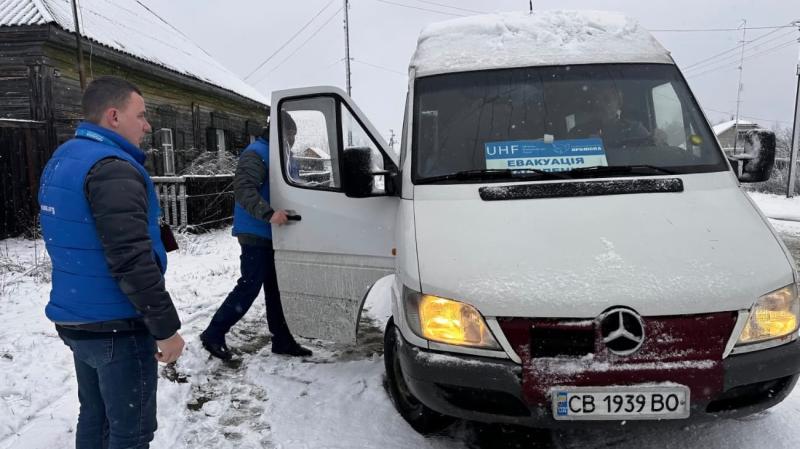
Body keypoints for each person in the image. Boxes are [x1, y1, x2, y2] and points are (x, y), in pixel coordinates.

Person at [38, 76, 185, 449]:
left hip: (78, 316)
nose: (148, 125)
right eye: (142, 115)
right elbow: (131, 259)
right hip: (116, 324)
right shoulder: (112, 167)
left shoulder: (65, 158)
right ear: (114, 116)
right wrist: (166, 329)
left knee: (96, 417)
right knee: (130, 433)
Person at [200, 112, 312, 360]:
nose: (293, 140)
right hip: (256, 231)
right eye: (291, 134)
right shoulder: (257, 152)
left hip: (274, 233)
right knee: (250, 286)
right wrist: (269, 214)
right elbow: (243, 190)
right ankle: (213, 333)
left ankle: (282, 340)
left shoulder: (279, 155)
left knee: (276, 288)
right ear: (281, 132)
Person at [569, 83, 650, 147]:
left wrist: (659, 140)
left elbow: (649, 152)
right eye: (597, 100)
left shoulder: (635, 130)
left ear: (619, 102)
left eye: (606, 99)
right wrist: (587, 146)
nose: (601, 104)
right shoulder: (578, 133)